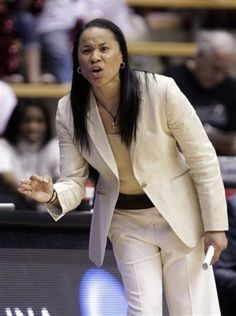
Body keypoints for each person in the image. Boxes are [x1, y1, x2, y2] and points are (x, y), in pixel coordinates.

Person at [18, 19, 228, 315]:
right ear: (78, 60)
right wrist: (52, 194)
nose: (95, 57)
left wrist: (215, 225)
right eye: (86, 50)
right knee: (142, 310)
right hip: (126, 221)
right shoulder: (69, 109)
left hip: (179, 214)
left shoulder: (161, 90)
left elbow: (202, 157)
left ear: (122, 57)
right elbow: (74, 180)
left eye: (104, 49)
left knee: (193, 309)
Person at [163, 30, 236, 156]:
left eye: (225, 72)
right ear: (199, 55)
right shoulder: (170, 81)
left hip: (219, 160)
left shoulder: (230, 87)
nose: (218, 77)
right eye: (215, 68)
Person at [0, 101, 59, 210]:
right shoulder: (3, 145)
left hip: (49, 207)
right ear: (16, 122)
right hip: (16, 207)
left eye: (39, 121)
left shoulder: (54, 146)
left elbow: (63, 177)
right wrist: (31, 195)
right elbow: (7, 177)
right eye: (27, 121)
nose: (33, 126)